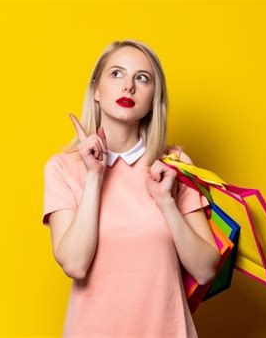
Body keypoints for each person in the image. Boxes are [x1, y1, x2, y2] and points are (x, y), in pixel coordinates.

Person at [41, 39, 220, 337]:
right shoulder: (63, 168)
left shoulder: (174, 166)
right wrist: (94, 177)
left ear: (153, 97)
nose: (129, 87)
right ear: (96, 90)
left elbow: (205, 270)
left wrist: (166, 202)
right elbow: (74, 263)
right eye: (116, 74)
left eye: (142, 78)